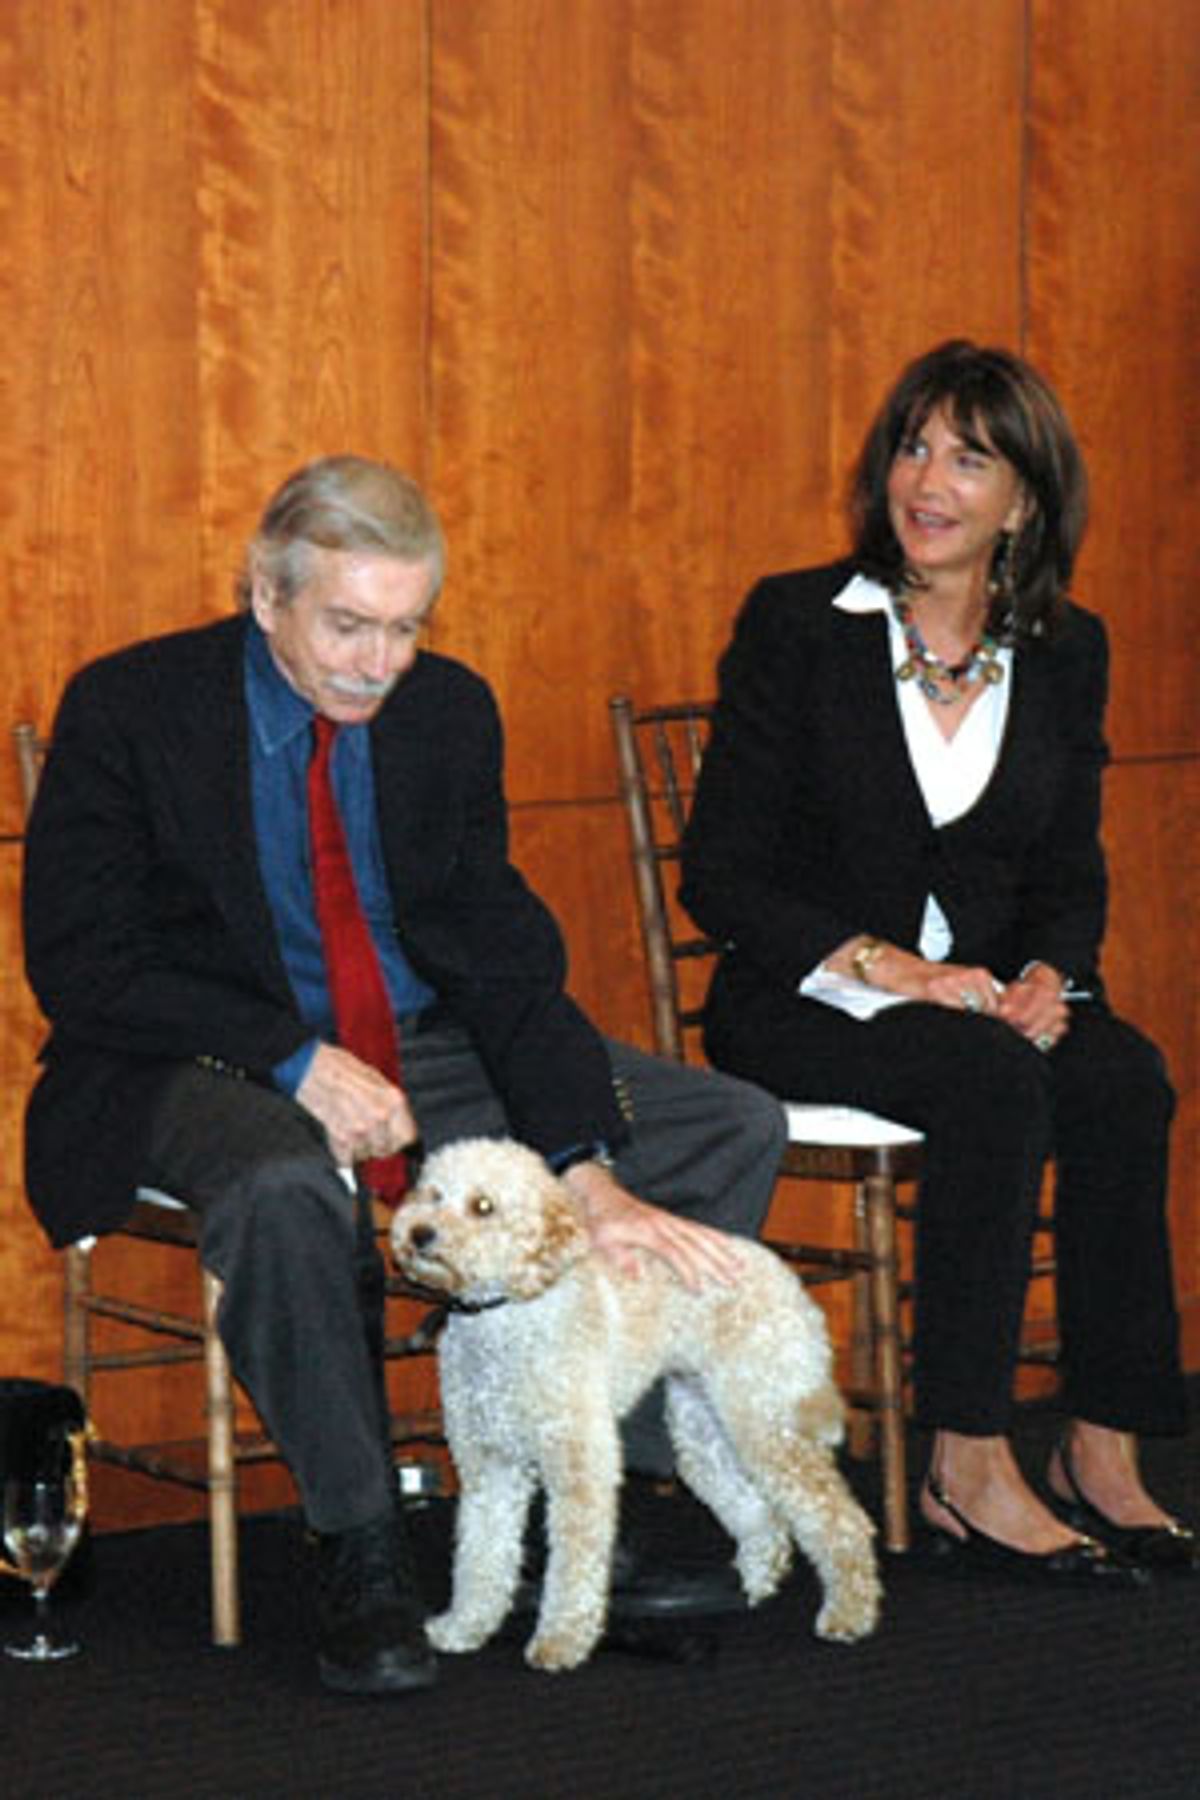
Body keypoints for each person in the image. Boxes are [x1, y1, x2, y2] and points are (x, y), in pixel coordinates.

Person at [21, 455, 787, 1695]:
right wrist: (288, 1059)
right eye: (348, 625)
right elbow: (83, 962)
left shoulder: (447, 712)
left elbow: (499, 953)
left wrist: (582, 1163)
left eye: (405, 627)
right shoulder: (133, 707)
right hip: (195, 1053)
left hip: (423, 1041)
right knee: (283, 1189)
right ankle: (361, 1544)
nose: (380, 661)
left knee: (721, 1126)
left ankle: (583, 1492)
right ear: (264, 593)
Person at [680, 340, 1196, 1583]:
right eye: (914, 447)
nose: (929, 481)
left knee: (1124, 1078)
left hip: (983, 1007)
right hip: (804, 997)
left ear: (1025, 498)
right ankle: (966, 1452)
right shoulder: (803, 624)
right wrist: (895, 969)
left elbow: (1069, 871)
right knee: (991, 1084)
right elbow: (723, 875)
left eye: (970, 458)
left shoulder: (1068, 650)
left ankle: (1102, 1444)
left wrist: (1052, 980)